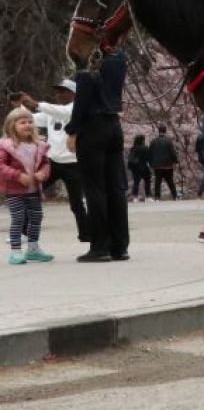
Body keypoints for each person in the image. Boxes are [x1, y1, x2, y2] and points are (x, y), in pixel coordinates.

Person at [66, 46, 130, 262]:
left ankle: (100, 246)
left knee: (94, 188)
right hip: (114, 124)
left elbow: (81, 103)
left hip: (92, 128)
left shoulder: (89, 67)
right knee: (116, 188)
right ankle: (120, 245)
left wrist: (72, 130)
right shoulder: (119, 59)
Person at [21, 79, 88, 243]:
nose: (60, 94)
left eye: (64, 91)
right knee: (32, 193)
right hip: (52, 163)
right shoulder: (52, 113)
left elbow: (63, 112)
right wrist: (21, 106)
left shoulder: (76, 109)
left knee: (76, 203)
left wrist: (36, 103)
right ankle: (23, 231)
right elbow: (32, 118)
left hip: (73, 164)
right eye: (58, 91)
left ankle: (86, 233)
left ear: (74, 94)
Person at [0, 107, 53, 264]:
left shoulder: (38, 145)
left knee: (36, 217)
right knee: (19, 218)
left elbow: (45, 163)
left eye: (30, 121)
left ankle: (33, 248)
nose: (28, 125)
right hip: (14, 190)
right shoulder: (6, 146)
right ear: (12, 126)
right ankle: (16, 251)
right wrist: (17, 175)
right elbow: (1, 165)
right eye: (22, 122)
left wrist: (43, 173)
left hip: (33, 190)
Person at [147, 123, 180, 201]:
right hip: (168, 165)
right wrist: (175, 161)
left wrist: (151, 163)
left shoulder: (153, 141)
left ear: (159, 131)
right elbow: (172, 152)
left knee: (157, 182)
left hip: (157, 165)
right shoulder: (169, 141)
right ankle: (175, 196)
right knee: (170, 181)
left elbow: (150, 153)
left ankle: (157, 197)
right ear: (165, 131)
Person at [126, 133, 152, 201]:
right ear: (142, 140)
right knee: (147, 181)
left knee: (136, 182)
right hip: (143, 167)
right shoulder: (145, 147)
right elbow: (148, 157)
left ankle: (135, 197)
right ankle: (148, 196)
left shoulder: (133, 148)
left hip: (135, 168)